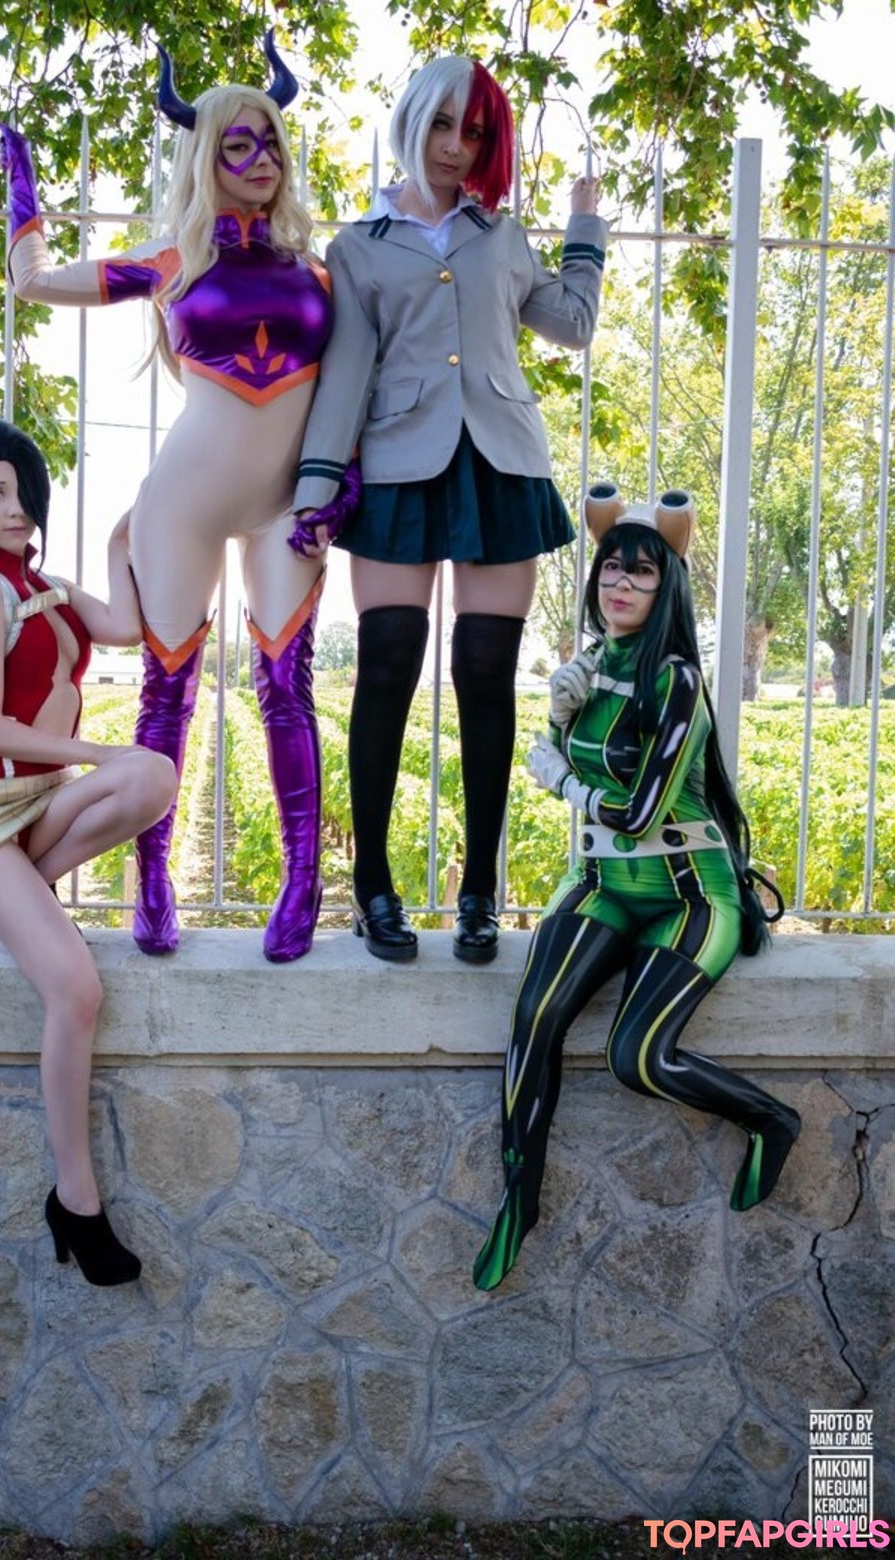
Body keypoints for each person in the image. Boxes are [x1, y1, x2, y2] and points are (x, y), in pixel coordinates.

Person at [0, 32, 356, 962]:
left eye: (270, 142)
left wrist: (343, 479)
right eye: (237, 144)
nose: (260, 160)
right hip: (183, 503)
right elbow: (32, 284)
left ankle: (302, 882)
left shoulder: (323, 271)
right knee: (169, 694)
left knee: (287, 689)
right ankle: (151, 880)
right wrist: (22, 189)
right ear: (205, 156)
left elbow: (358, 386)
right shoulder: (170, 262)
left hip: (288, 508)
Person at [292, 54, 607, 965]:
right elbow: (347, 372)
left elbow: (572, 324)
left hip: (500, 461)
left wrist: (584, 225)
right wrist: (316, 490)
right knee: (386, 667)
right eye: (441, 125)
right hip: (397, 463)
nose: (455, 147)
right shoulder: (358, 246)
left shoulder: (500, 235)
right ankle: (374, 888)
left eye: (473, 132)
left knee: (485, 676)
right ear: (412, 121)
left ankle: (479, 896)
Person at [471, 485, 801, 1292]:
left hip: (690, 896)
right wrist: (558, 721)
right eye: (611, 568)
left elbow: (639, 810)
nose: (619, 582)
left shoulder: (677, 680)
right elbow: (580, 762)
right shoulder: (591, 668)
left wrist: (558, 778)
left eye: (641, 573)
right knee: (535, 1016)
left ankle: (771, 1119)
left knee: (637, 1057)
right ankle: (520, 1194)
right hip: (603, 882)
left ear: (667, 588)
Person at [0, 398, 177, 1286]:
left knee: (152, 777)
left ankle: (24, 892)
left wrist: (119, 541)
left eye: (24, 489)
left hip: (39, 802)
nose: (15, 506)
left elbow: (128, 628)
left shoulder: (47, 587)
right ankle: (76, 1198)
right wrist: (95, 752)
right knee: (75, 988)